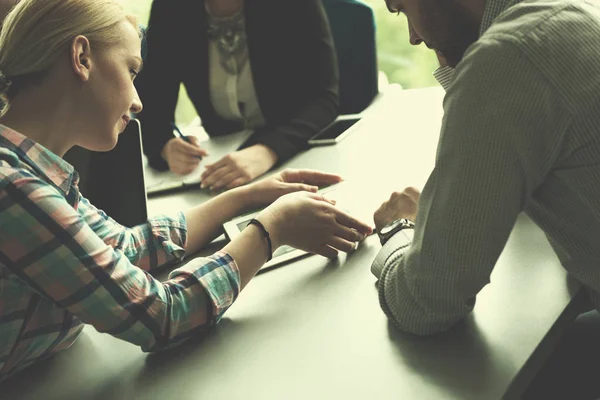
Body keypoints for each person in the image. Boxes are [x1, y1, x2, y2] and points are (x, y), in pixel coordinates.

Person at [0, 0, 372, 381]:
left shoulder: (36, 172)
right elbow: (163, 316)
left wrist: (242, 198)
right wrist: (271, 229)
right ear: (81, 58)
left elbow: (126, 247)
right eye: (131, 71)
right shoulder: (14, 189)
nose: (138, 100)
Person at [370, 0, 600, 395]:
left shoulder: (506, 58)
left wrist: (401, 231)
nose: (411, 35)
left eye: (402, 8)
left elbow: (428, 301)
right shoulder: (565, 15)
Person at [135, 0, 339, 191]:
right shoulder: (171, 7)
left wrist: (266, 151)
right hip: (222, 168)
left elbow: (324, 98)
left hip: (299, 150)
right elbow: (150, 106)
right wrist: (165, 146)